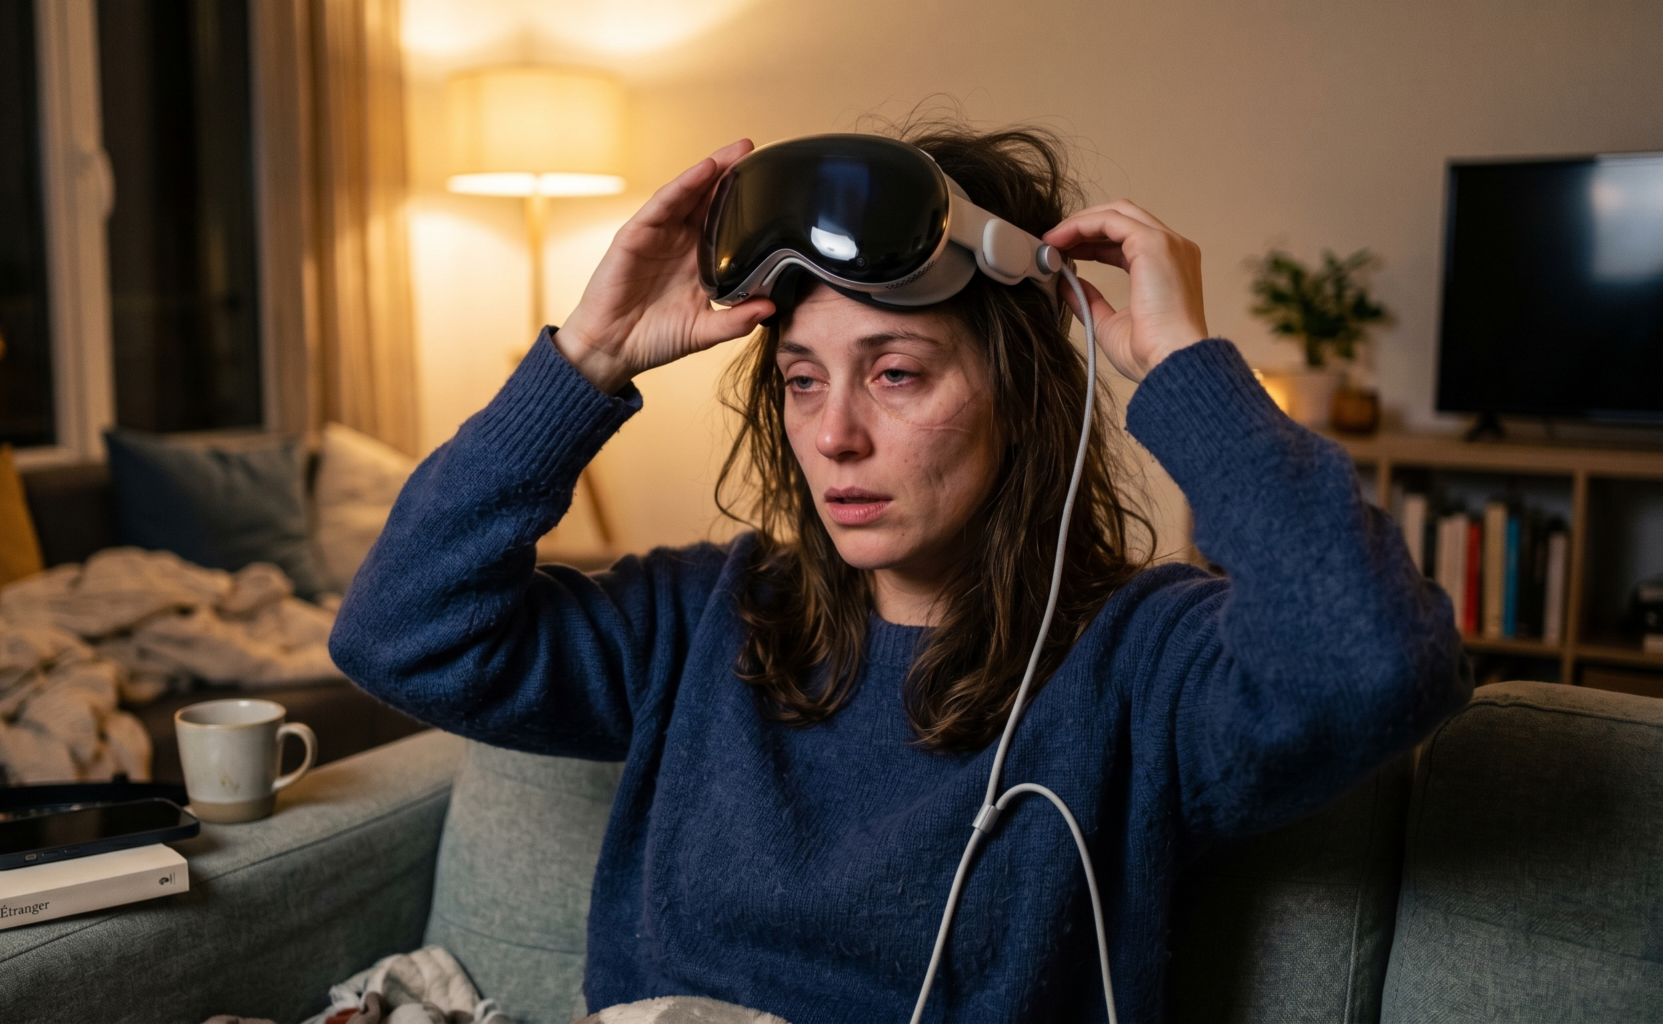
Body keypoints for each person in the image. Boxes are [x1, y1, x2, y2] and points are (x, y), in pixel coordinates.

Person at [331, 123, 1469, 1023]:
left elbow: (1373, 661)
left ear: (1018, 397)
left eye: (895, 373)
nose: (832, 437)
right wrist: (583, 359)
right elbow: (398, 634)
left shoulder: (1138, 662)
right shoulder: (701, 617)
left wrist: (1183, 371)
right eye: (801, 380)